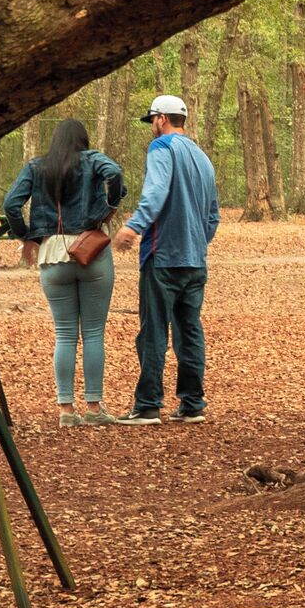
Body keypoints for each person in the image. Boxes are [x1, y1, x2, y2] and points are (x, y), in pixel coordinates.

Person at [0, 119, 126, 420]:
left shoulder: (36, 166)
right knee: (93, 333)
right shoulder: (92, 159)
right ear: (83, 139)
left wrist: (26, 235)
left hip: (52, 252)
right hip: (90, 247)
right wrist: (108, 208)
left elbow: (11, 204)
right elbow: (115, 174)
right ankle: (94, 407)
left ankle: (66, 409)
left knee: (65, 333)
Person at [121, 91, 219, 423]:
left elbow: (156, 191)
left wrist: (134, 227)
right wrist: (197, 242)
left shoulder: (161, 147)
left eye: (152, 120)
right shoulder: (203, 157)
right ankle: (192, 403)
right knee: (189, 330)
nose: (151, 126)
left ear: (161, 119)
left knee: (153, 331)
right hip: (195, 261)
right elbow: (213, 215)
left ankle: (148, 404)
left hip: (162, 257)